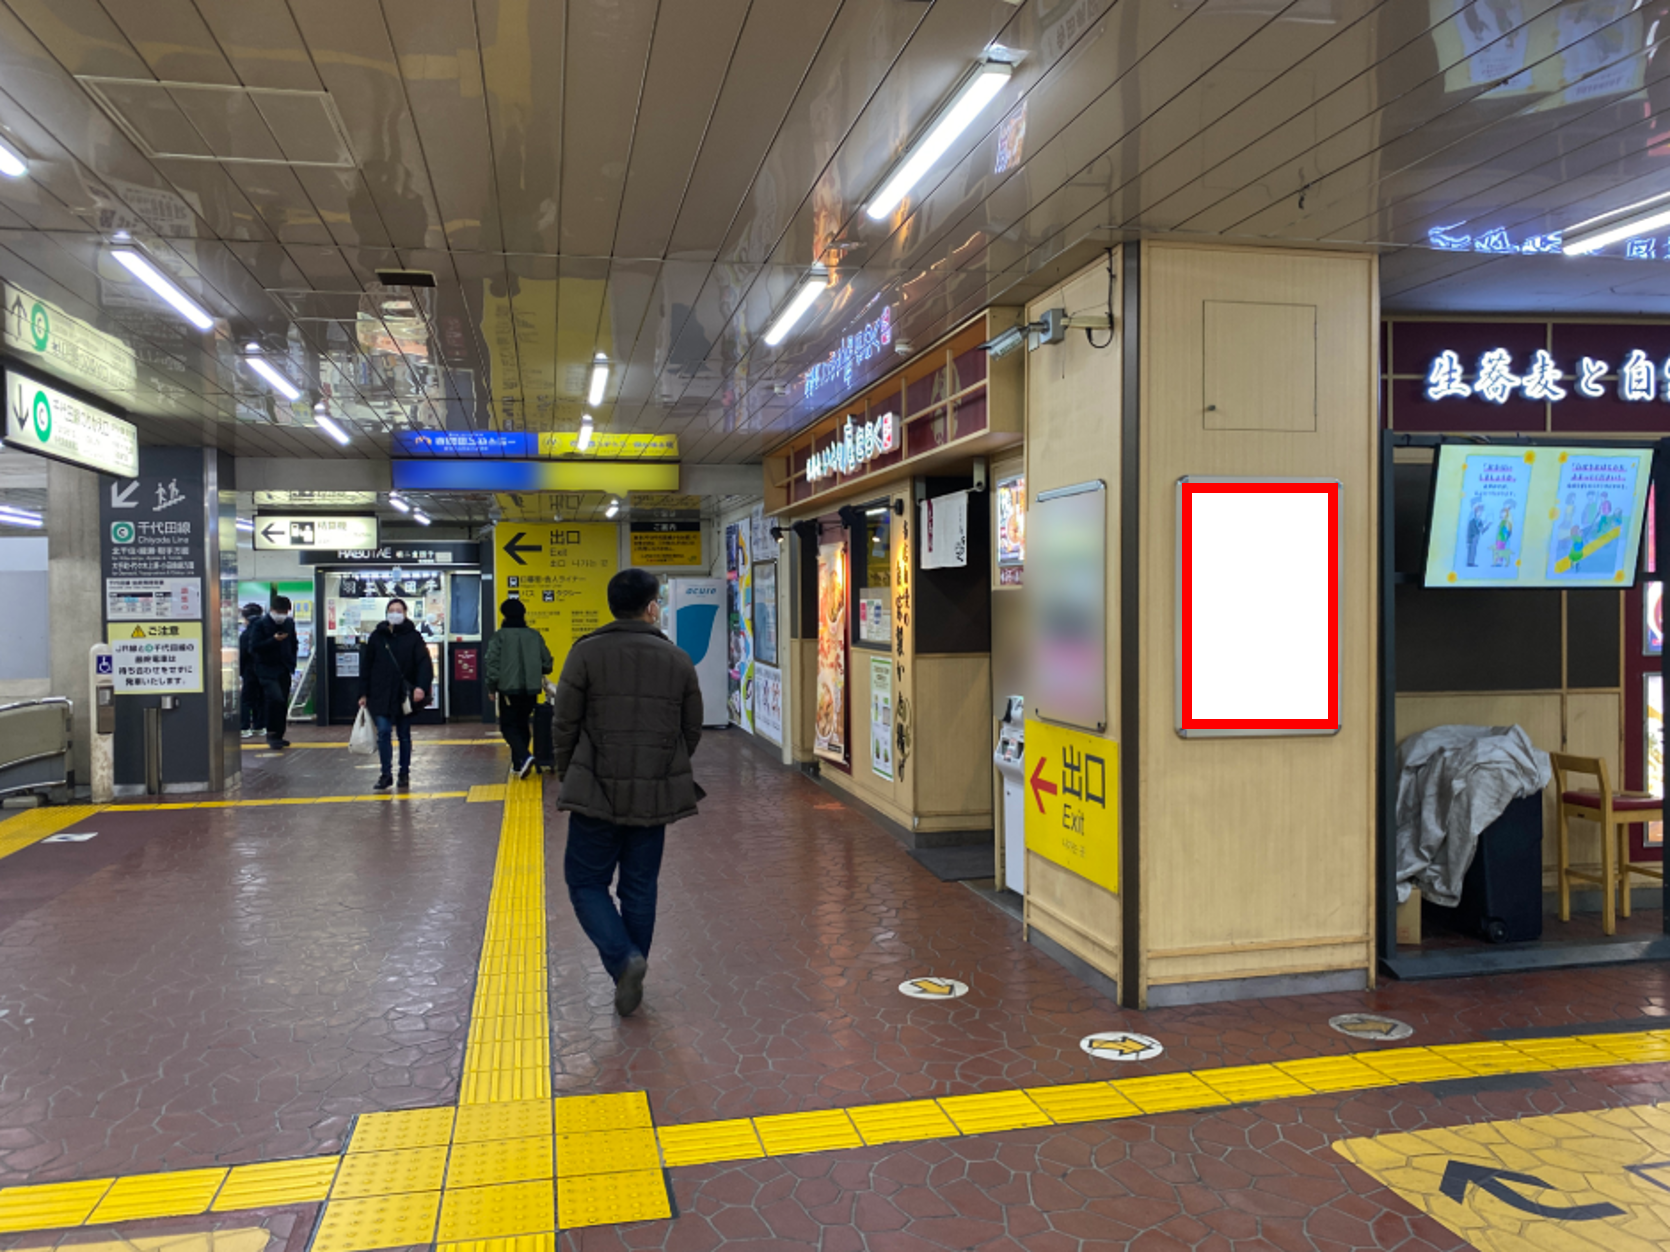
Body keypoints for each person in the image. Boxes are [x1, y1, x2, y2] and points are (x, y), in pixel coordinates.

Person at [552, 568, 702, 1017]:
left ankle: (624, 962)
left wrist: (569, 773)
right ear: (652, 606)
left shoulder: (585, 652)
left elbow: (564, 722)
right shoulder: (677, 659)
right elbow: (691, 729)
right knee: (639, 887)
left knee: (585, 881)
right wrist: (662, 766)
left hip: (595, 790)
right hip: (653, 794)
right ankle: (632, 967)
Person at [358, 597, 433, 791]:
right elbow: (366, 665)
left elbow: (424, 664)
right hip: (380, 693)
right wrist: (363, 693)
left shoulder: (414, 637)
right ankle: (385, 774)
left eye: (399, 610)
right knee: (383, 732)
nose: (395, 614)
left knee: (403, 735)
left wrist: (421, 687)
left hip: (403, 695)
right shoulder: (377, 636)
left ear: (405, 613)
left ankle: (404, 773)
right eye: (391, 610)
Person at [485, 597, 552, 779]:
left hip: (508, 690)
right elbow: (547, 663)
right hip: (531, 690)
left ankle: (525, 756)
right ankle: (518, 764)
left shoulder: (499, 636)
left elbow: (492, 665)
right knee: (523, 724)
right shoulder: (534, 635)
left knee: (508, 726)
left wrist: (491, 688)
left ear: (504, 615)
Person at [248, 597, 299, 750]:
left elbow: (293, 643)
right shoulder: (260, 624)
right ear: (272, 610)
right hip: (266, 669)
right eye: (279, 611)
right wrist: (273, 640)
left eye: (285, 612)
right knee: (275, 698)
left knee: (282, 701)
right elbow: (254, 647)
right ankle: (271, 733)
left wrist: (292, 661)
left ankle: (279, 735)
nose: (282, 615)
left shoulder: (289, 623)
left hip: (284, 668)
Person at [237, 603, 266, 739]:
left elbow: (242, 655)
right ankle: (259, 726)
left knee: (246, 700)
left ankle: (244, 727)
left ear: (246, 618)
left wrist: (240, 671)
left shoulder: (245, 635)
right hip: (265, 671)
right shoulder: (266, 632)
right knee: (261, 698)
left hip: (249, 671)